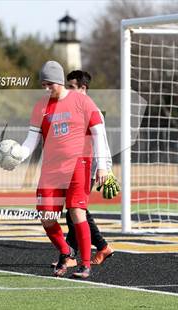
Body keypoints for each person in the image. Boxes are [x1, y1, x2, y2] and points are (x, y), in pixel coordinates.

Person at [0, 61, 111, 279]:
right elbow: (31, 140)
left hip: (78, 164)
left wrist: (103, 166)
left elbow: (99, 133)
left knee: (76, 211)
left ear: (59, 81)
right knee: (46, 215)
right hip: (51, 168)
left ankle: (85, 264)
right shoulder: (41, 106)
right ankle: (66, 251)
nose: (46, 88)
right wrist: (17, 157)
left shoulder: (82, 100)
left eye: (50, 84)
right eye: (43, 84)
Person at [58, 70, 115, 267]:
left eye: (72, 87)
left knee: (76, 211)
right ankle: (100, 247)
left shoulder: (92, 110)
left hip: (87, 167)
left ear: (83, 88)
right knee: (76, 211)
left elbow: (102, 142)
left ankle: (72, 255)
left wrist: (104, 168)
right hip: (73, 167)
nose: (68, 91)